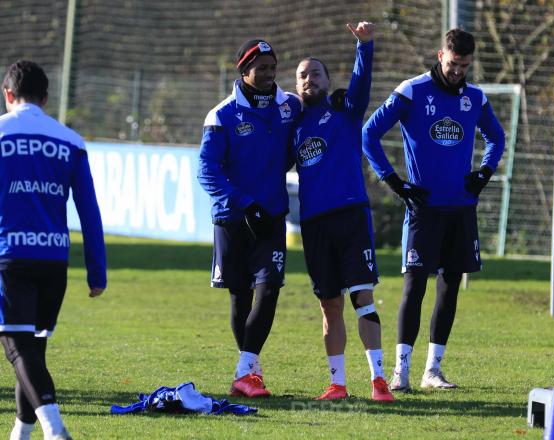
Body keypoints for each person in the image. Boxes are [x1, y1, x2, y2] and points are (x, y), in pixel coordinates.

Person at [362, 29, 505, 392]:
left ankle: (433, 370)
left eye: (465, 66)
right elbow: (369, 134)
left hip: (461, 208)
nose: (459, 71)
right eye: (454, 63)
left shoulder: (474, 97)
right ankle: (401, 370)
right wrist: (394, 181)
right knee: (414, 286)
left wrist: (484, 172)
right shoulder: (411, 90)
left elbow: (497, 137)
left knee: (450, 287)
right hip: (424, 209)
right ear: (440, 55)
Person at [0, 60, 106, 440]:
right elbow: (89, 212)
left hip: (10, 257)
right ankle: (20, 432)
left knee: (17, 349)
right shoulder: (70, 141)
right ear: (46, 98)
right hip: (53, 261)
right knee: (34, 351)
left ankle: (55, 429)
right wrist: (97, 272)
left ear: (7, 94)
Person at [291, 21, 394, 402]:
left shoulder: (345, 109)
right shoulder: (293, 125)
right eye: (302, 75)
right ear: (295, 84)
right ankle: (337, 384)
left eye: (315, 73)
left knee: (362, 297)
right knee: (329, 304)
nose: (308, 80)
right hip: (314, 224)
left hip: (351, 216)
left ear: (326, 79)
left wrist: (363, 45)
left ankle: (379, 380)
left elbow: (362, 83)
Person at [197, 39, 302, 398]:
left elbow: (303, 136)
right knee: (240, 297)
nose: (270, 74)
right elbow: (207, 172)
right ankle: (250, 376)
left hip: (271, 216)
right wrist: (245, 203)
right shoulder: (222, 116)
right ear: (244, 72)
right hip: (233, 218)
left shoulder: (288, 106)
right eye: (262, 68)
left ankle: (244, 371)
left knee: (269, 289)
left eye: (273, 67)